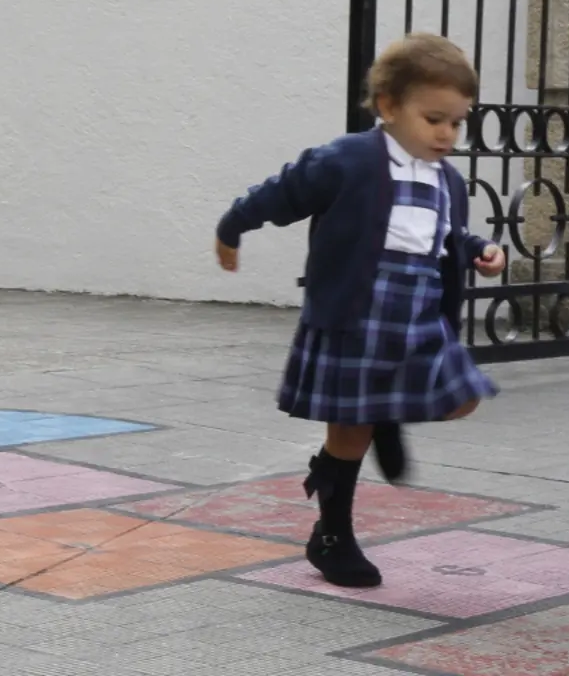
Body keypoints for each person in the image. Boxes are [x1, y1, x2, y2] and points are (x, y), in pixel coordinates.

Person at [213, 32, 506, 589]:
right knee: (348, 431)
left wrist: (478, 250)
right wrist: (233, 227)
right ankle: (332, 536)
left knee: (464, 397)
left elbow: (445, 236)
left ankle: (387, 414)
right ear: (390, 107)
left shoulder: (447, 179)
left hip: (418, 314)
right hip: (356, 313)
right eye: (435, 118)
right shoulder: (349, 159)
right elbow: (283, 191)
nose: (447, 134)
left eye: (457, 123)